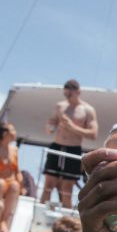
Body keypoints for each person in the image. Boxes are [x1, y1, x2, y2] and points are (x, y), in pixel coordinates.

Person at [42, 79, 98, 208]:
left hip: (73, 149)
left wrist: (72, 126)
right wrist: (50, 125)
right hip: (57, 146)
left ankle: (66, 220)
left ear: (78, 92)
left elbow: (93, 134)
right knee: (48, 185)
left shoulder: (88, 110)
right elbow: (50, 129)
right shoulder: (60, 106)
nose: (68, 98)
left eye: (70, 95)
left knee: (67, 188)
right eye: (65, 95)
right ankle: (39, 216)